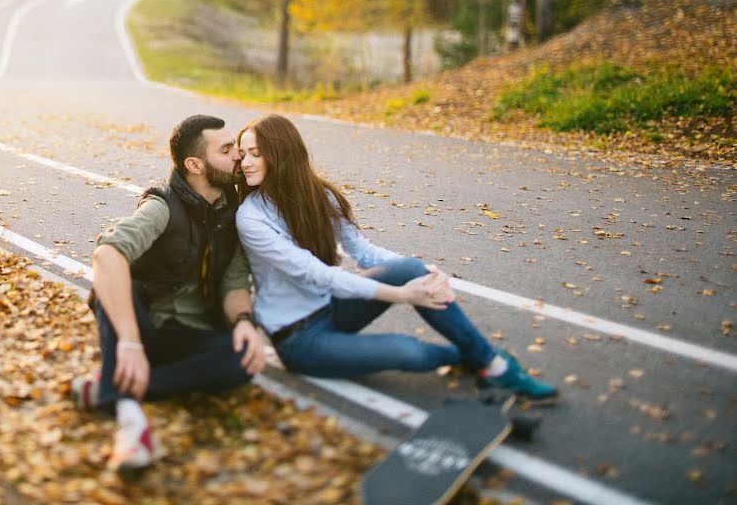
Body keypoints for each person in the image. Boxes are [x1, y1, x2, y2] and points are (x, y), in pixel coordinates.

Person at [235, 114, 557, 401]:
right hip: (300, 338)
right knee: (410, 353)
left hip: (332, 307)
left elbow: (364, 252)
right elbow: (316, 273)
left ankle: (494, 366)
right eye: (243, 155)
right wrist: (401, 294)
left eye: (255, 153)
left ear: (281, 154)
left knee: (411, 268)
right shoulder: (250, 218)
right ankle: (479, 357)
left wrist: (427, 273)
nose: (246, 162)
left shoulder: (320, 196)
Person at [72, 115, 267, 474]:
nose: (238, 155)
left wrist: (242, 320)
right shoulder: (162, 206)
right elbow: (106, 254)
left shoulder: (235, 212)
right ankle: (131, 423)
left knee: (245, 359)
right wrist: (130, 342)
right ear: (195, 165)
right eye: (226, 150)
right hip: (146, 324)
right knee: (115, 283)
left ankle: (109, 389)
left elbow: (235, 283)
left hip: (191, 334)